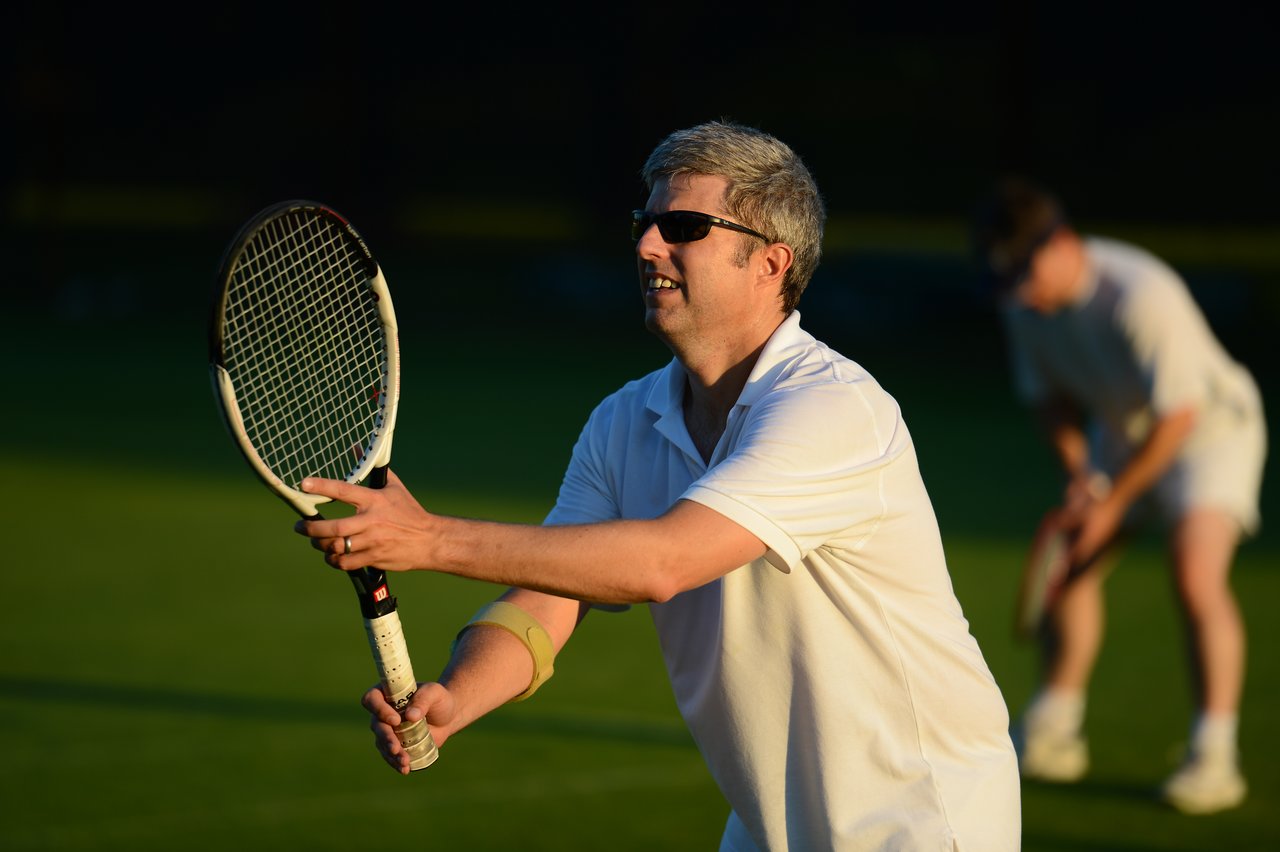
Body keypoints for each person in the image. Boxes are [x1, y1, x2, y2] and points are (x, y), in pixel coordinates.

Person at [297, 122, 1021, 850]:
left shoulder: (832, 408)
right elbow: (549, 595)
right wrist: (458, 696)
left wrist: (428, 539)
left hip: (923, 823)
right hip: (768, 827)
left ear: (771, 262)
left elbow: (661, 563)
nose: (647, 245)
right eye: (645, 223)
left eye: (683, 226)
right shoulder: (624, 420)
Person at [971, 177, 1267, 815]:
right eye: (1008, 279)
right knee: (1072, 566)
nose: (1020, 291)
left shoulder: (1140, 295)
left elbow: (1180, 415)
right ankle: (1055, 729)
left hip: (1210, 431)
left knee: (1195, 575)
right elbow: (1047, 400)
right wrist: (1082, 477)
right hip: (1122, 432)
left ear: (1063, 245)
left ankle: (1214, 757)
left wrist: (1112, 501)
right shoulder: (1021, 303)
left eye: (1026, 273)